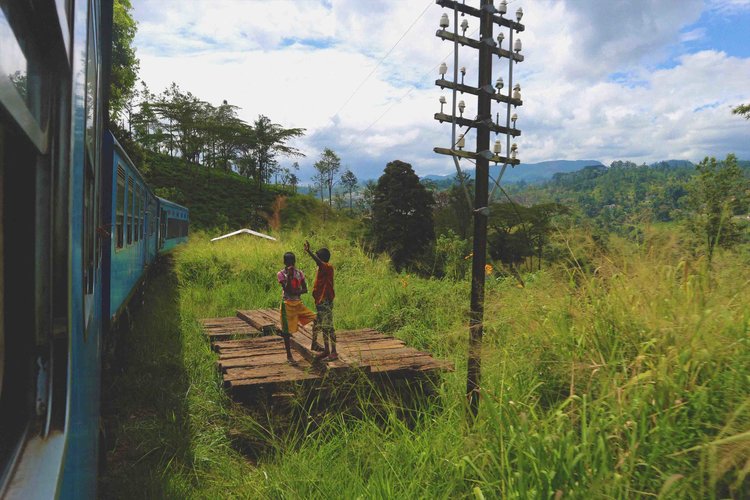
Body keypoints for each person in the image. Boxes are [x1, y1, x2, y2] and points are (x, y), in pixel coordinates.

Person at [277, 252, 316, 364]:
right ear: (285, 263)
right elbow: (287, 289)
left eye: (292, 262)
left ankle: (315, 344)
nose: (291, 265)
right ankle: (289, 356)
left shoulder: (299, 273)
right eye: (288, 262)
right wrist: (289, 276)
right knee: (286, 331)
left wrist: (297, 291)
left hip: (298, 304)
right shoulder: (281, 274)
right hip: (287, 304)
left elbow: (305, 289)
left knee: (316, 319)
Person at [304, 240, 338, 361]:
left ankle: (334, 352)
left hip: (325, 301)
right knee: (323, 326)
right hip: (320, 302)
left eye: (318, 258)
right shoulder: (322, 269)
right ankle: (326, 350)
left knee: (329, 326)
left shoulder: (327, 267)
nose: (317, 261)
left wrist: (309, 252)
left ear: (322, 259)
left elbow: (319, 262)